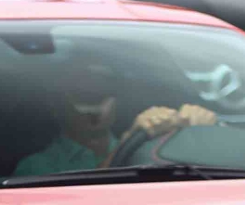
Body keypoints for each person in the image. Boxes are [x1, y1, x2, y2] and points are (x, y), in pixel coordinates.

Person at [13, 57, 217, 178]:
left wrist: (203, 129)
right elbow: (91, 197)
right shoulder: (36, 167)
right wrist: (132, 137)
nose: (95, 104)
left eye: (102, 92)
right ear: (56, 105)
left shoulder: (151, 145)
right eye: (83, 94)